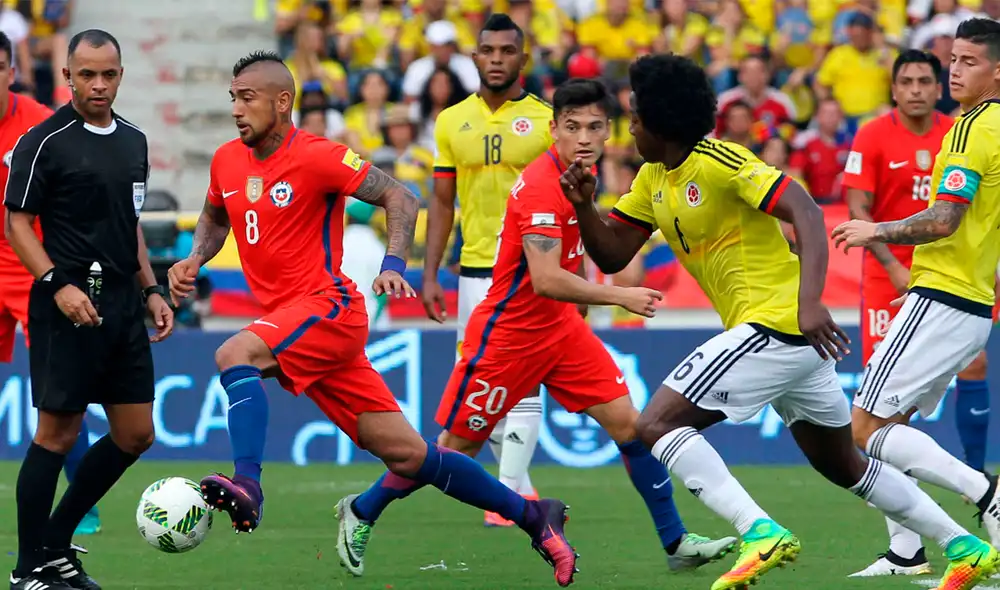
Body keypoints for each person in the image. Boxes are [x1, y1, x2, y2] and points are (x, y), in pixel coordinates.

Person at [563, 53, 1000, 590]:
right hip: (785, 338)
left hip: (779, 323)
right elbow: (610, 255)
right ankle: (966, 546)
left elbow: (807, 210)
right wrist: (584, 206)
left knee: (655, 425)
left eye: (635, 119)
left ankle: (759, 532)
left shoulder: (719, 161)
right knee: (845, 464)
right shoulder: (652, 179)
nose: (629, 131)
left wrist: (811, 301)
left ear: (664, 123)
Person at [166, 51, 576, 586]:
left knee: (232, 353)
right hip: (294, 327)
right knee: (410, 457)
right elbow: (216, 213)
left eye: (247, 98)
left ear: (282, 102)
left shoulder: (318, 156)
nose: (237, 110)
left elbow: (401, 197)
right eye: (233, 99)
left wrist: (391, 264)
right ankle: (534, 518)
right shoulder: (227, 160)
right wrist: (197, 257)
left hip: (327, 308)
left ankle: (248, 484)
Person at [336, 78, 738, 578]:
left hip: (562, 332)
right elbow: (546, 279)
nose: (585, 138)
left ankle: (675, 541)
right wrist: (618, 294)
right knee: (451, 449)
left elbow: (576, 249)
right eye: (573, 127)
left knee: (631, 428)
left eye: (595, 127)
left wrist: (588, 292)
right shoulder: (542, 186)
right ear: (554, 130)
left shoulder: (579, 179)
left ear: (608, 131)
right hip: (508, 337)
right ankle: (362, 510)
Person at [4, 29, 174, 590]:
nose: (98, 84)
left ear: (120, 75)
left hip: (124, 304)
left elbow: (131, 229)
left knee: (135, 434)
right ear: (68, 76)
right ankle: (31, 568)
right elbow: (18, 223)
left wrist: (152, 291)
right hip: (66, 304)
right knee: (56, 434)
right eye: (87, 75)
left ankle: (55, 544)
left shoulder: (134, 141)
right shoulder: (42, 141)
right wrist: (55, 283)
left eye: (108, 74)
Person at [834, 15, 1000, 573]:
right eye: (952, 59)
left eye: (969, 62)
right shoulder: (985, 124)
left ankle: (985, 496)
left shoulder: (974, 130)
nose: (954, 71)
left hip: (942, 298)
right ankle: (908, 552)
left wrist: (873, 229)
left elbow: (945, 220)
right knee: (892, 425)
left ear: (997, 72)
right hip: (968, 301)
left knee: (863, 430)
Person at [421, 13, 551, 527]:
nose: (497, 59)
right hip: (473, 268)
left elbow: (566, 202)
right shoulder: (451, 120)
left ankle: (510, 494)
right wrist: (429, 274)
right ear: (474, 57)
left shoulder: (545, 121)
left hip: (527, 267)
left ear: (523, 58)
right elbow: (442, 200)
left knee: (523, 378)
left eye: (506, 51)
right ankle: (517, 481)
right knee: (476, 380)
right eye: (488, 51)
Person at [0, 30, 101, 539]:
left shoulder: (39, 124)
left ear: (12, 72)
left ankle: (84, 500)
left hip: (31, 266)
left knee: (58, 389)